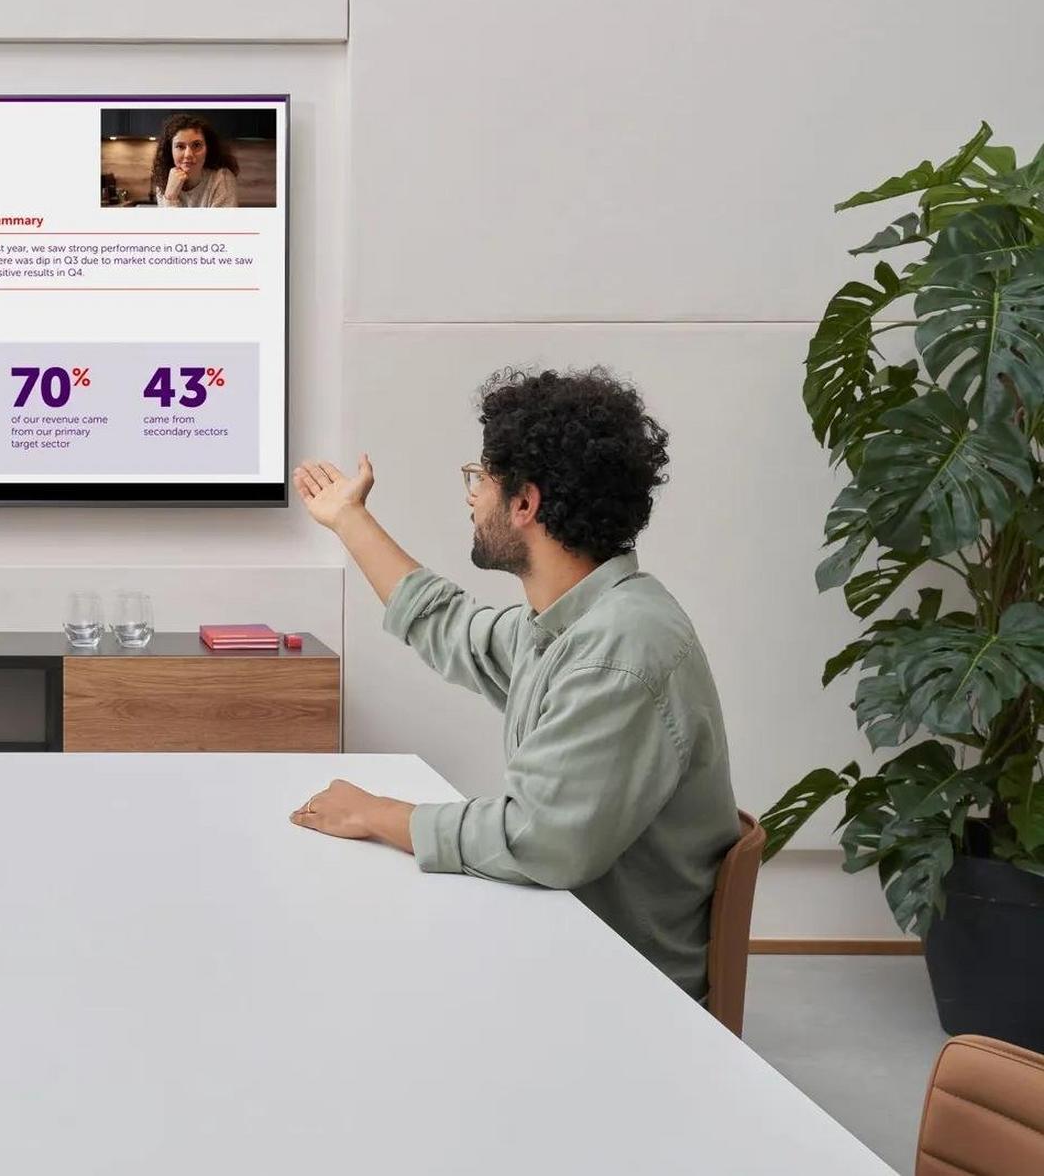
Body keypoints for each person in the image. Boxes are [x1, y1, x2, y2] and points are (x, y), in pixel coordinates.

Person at [289, 368, 739, 999]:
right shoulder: (577, 622)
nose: (471, 498)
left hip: (616, 985)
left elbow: (540, 840)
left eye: (480, 480)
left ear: (525, 503)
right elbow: (452, 627)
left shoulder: (617, 653)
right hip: (566, 936)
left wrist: (375, 813)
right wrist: (349, 519)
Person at [150, 114, 240, 207]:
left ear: (208, 148)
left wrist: (170, 202)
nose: (188, 154)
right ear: (170, 151)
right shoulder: (163, 181)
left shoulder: (222, 179)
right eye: (180, 146)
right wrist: (170, 196)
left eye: (196, 145)